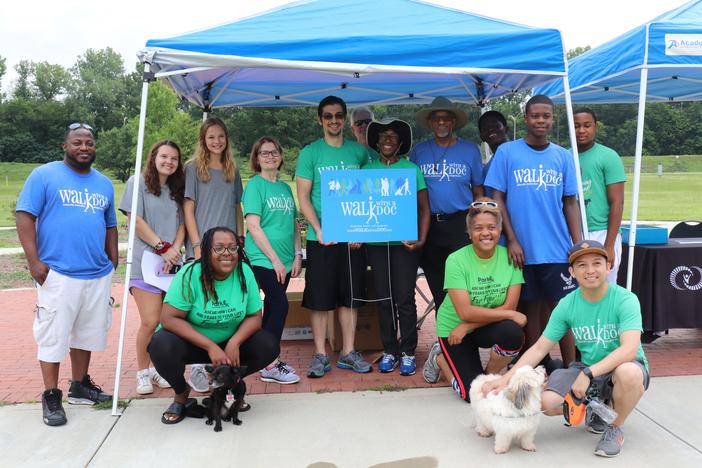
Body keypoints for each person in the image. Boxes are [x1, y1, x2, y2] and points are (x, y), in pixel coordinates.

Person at [482, 240, 649, 458]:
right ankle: (596, 407)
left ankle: (614, 427)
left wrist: (587, 374)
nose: (590, 271)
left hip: (623, 367)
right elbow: (540, 348)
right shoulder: (567, 304)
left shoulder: (626, 300)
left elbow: (629, 350)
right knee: (547, 403)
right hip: (587, 367)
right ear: (571, 272)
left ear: (609, 266)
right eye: (581, 265)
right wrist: (505, 379)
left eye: (597, 263)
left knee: (628, 373)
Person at [16, 123, 118, 426]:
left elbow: (110, 223)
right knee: (52, 335)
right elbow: (25, 216)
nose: (84, 147)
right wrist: (34, 262)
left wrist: (112, 257)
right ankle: (51, 395)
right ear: (65, 146)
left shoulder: (104, 183)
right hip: (57, 272)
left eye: (89, 142)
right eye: (77, 142)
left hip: (96, 272)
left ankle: (80, 386)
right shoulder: (44, 175)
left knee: (87, 332)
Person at [484, 94, 582, 367]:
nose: (540, 120)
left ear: (552, 119)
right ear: (526, 118)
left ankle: (571, 367)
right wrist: (512, 240)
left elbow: (570, 202)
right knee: (530, 309)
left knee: (562, 310)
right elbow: (497, 198)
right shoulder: (507, 152)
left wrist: (578, 245)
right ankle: (538, 365)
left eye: (546, 116)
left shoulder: (562, 156)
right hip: (520, 249)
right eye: (535, 115)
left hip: (556, 248)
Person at [148, 227, 279, 424]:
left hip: (228, 345)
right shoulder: (190, 274)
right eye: (218, 248)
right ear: (207, 251)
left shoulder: (244, 273)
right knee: (161, 345)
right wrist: (210, 346)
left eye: (232, 248)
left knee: (268, 344)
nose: (226, 253)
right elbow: (169, 318)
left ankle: (228, 388)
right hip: (193, 342)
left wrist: (234, 342)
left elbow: (254, 317)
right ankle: (181, 393)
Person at [295, 95, 372, 377]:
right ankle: (319, 354)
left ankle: (348, 352)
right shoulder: (310, 153)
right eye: (328, 116)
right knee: (320, 298)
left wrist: (360, 229)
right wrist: (317, 229)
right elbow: (303, 197)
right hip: (322, 239)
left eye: (339, 115)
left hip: (352, 239)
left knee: (349, 298)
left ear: (344, 118)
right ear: (320, 120)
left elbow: (369, 192)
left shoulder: (358, 153)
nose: (334, 120)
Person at [422, 198, 525, 402]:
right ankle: (440, 359)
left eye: (491, 227)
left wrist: (469, 325)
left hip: (478, 326)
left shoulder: (510, 258)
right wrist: (509, 314)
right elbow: (464, 312)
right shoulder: (456, 260)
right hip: (454, 329)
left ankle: (488, 378)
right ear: (469, 233)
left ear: (500, 230)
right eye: (478, 228)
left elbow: (510, 307)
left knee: (512, 333)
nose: (485, 233)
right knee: (472, 396)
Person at [119, 140, 186, 394]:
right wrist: (162, 247)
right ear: (153, 157)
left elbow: (182, 224)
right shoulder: (137, 182)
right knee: (150, 321)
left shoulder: (177, 188)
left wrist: (175, 250)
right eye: (164, 157)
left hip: (169, 266)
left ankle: (159, 370)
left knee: (166, 322)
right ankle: (142, 372)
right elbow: (134, 220)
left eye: (174, 158)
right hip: (144, 263)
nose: (169, 162)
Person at [363, 118, 430, 375]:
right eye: (383, 136)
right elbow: (356, 209)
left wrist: (421, 238)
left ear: (400, 142)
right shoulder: (366, 171)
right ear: (376, 142)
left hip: (405, 244)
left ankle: (408, 351)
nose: (388, 140)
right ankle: (389, 349)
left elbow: (424, 209)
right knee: (384, 299)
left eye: (393, 136)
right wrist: (353, 233)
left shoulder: (411, 169)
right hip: (377, 244)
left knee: (404, 298)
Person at [183, 117, 245, 392]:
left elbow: (237, 208)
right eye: (211, 137)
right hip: (203, 246)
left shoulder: (233, 170)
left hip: (228, 249)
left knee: (223, 302)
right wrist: (197, 245)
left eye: (221, 136)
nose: (216, 141)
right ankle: (197, 363)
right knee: (200, 304)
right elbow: (188, 208)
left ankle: (223, 363)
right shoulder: (193, 169)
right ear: (203, 140)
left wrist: (240, 240)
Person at [410, 96, 484, 311]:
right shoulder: (419, 151)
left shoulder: (470, 150)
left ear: (453, 122)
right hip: (429, 226)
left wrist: (477, 226)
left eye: (446, 118)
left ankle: (466, 336)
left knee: (462, 284)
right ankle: (443, 340)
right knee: (436, 283)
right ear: (430, 123)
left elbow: (478, 191)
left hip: (460, 225)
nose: (441, 122)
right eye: (436, 119)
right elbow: (412, 191)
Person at [243, 136, 303, 384]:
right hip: (263, 258)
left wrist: (298, 253)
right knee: (280, 305)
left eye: (274, 152)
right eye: (264, 153)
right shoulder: (255, 186)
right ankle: (269, 363)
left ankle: (263, 358)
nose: (270, 156)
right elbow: (253, 226)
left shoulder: (285, 188)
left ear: (280, 156)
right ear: (257, 159)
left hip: (287, 260)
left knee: (272, 309)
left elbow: (293, 223)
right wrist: (275, 259)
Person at [574, 108, 625, 283]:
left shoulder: (608, 156)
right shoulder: (564, 156)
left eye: (587, 125)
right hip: (574, 232)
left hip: (603, 232)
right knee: (577, 288)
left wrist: (609, 245)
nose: (581, 130)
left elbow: (617, 202)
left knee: (605, 286)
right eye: (576, 126)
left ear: (595, 126)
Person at [478, 110, 509, 199]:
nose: (490, 129)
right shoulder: (486, 171)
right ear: (481, 136)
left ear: (506, 129)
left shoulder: (521, 155)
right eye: (485, 128)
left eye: (495, 125)